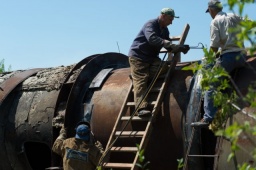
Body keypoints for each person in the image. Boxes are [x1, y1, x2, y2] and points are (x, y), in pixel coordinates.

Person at [191, 0, 248, 127]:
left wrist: (209, 58)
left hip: (229, 57)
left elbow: (214, 46)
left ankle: (208, 118)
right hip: (242, 56)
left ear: (211, 10)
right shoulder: (233, 16)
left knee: (211, 85)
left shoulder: (215, 21)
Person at [128, 8, 190, 117]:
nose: (171, 22)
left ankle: (136, 74)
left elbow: (168, 46)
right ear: (163, 16)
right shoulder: (150, 24)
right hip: (139, 56)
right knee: (141, 81)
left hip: (152, 58)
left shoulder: (165, 30)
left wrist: (180, 48)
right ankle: (141, 108)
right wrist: (169, 44)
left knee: (165, 67)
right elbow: (152, 39)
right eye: (170, 19)